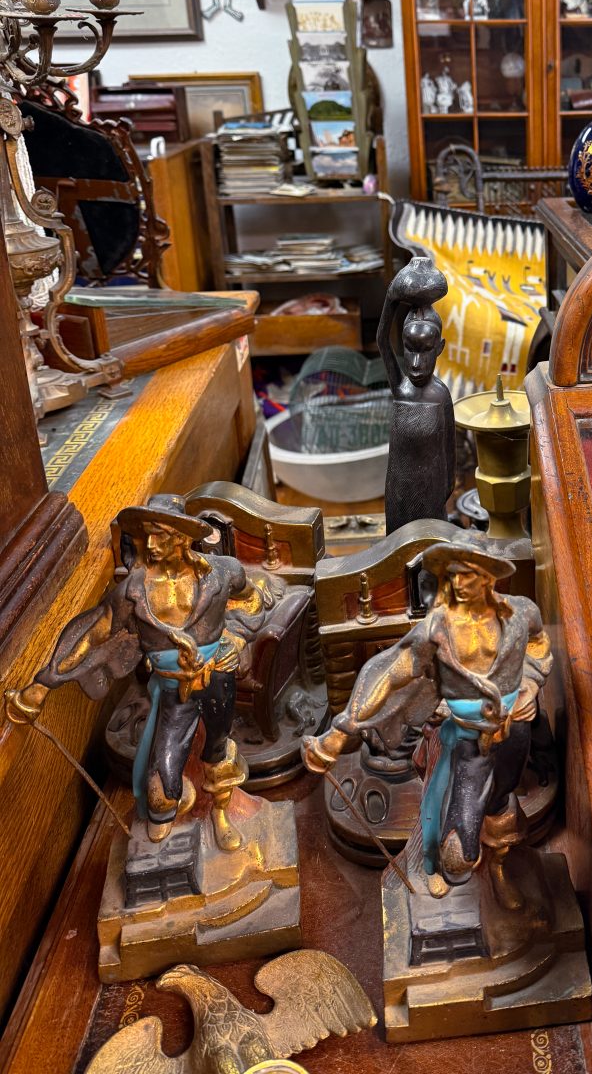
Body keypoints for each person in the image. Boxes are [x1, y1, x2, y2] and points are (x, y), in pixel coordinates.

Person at [302, 538, 551, 909]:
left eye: (465, 575)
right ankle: (441, 866)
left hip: (514, 734)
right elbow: (388, 674)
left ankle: (499, 872)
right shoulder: (437, 631)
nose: (457, 584)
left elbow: (539, 644)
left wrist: (530, 685)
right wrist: (342, 731)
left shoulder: (520, 613)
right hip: (469, 743)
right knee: (455, 850)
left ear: (486, 578)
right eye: (451, 576)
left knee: (501, 806)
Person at [4, 494, 251, 851]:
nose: (151, 544)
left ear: (181, 537)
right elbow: (91, 634)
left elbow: (255, 599)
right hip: (174, 695)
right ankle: (168, 819)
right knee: (161, 793)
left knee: (218, 749)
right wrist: (43, 684)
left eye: (161, 535)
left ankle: (222, 814)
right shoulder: (132, 594)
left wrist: (236, 638)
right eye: (146, 534)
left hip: (219, 684)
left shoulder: (224, 572)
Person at [376, 255, 456, 533]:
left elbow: (449, 450)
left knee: (430, 547)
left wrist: (446, 489)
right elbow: (381, 339)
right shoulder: (400, 387)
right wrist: (391, 299)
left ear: (440, 348)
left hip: (431, 492)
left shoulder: (440, 395)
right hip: (399, 490)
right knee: (397, 547)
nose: (416, 363)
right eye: (410, 349)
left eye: (426, 351)